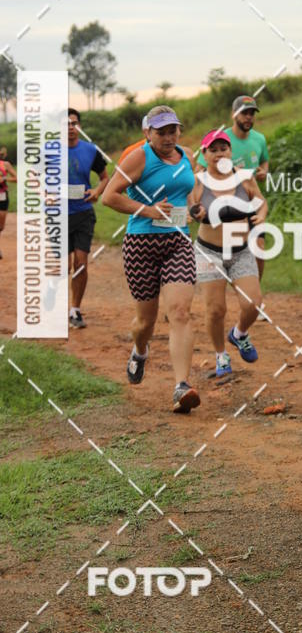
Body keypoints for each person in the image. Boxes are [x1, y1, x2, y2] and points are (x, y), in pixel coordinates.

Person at [102, 105, 200, 414]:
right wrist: (148, 210)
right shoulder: (138, 158)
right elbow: (109, 196)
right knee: (146, 321)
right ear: (148, 132)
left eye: (173, 130)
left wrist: (194, 209)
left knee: (180, 312)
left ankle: (181, 386)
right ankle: (140, 350)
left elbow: (188, 190)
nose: (169, 137)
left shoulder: (186, 155)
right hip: (141, 244)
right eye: (161, 132)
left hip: (178, 241)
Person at [191, 129, 267, 377]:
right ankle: (221, 355)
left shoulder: (244, 177)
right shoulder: (198, 181)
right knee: (215, 309)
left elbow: (261, 201)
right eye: (213, 150)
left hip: (241, 251)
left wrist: (261, 215)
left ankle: (239, 333)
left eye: (223, 149)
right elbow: (188, 209)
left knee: (253, 303)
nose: (219, 154)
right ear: (204, 155)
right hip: (208, 253)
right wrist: (196, 212)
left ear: (230, 152)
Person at [67, 108, 109, 328]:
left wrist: (97, 191)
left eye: (74, 123)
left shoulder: (91, 150)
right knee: (62, 266)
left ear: (79, 126)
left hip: (83, 213)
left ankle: (75, 309)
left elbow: (105, 177)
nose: (70, 127)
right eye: (65, 124)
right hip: (57, 215)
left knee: (80, 263)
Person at [0, 150, 17, 260]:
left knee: (1, 226)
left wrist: (4, 178)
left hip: (2, 196)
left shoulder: (5, 164)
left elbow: (16, 178)